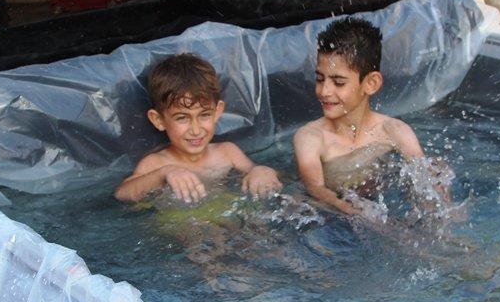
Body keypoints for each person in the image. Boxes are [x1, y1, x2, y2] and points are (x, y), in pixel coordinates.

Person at [292, 16, 427, 215]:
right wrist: (358, 214)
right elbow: (316, 190)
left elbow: (425, 180)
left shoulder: (394, 131)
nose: (324, 91)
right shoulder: (310, 138)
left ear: (370, 83)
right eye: (320, 79)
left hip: (384, 205)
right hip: (334, 217)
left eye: (338, 82)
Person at [115, 53, 282, 203]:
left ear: (218, 112)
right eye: (182, 118)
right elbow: (122, 193)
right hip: (186, 228)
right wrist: (164, 173)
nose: (195, 129)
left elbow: (264, 175)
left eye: (204, 115)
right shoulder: (157, 163)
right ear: (158, 120)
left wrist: (262, 170)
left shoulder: (228, 152)